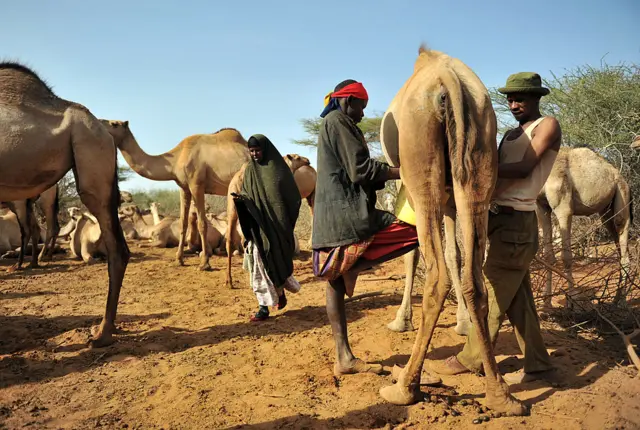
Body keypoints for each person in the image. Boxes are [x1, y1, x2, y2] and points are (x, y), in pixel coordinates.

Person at [430, 72, 561, 384]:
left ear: (537, 98)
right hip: (501, 220)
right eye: (510, 99)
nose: (514, 104)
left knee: (489, 292)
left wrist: (475, 165)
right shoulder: (510, 135)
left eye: (521, 98)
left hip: (518, 222)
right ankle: (539, 363)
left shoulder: (548, 126)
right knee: (519, 301)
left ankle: (471, 357)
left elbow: (525, 167)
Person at [312, 79, 420, 376]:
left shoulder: (333, 123)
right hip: (347, 216)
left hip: (331, 217)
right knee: (414, 230)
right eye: (361, 107)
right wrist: (408, 171)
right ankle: (354, 266)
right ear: (348, 101)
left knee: (334, 282)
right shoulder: (339, 122)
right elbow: (360, 171)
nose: (362, 114)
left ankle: (343, 357)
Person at [232, 134, 302, 322]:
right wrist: (242, 201)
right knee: (258, 264)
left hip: (277, 227)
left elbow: (291, 197)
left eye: (257, 150)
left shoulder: (278, 170)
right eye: (252, 151)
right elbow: (248, 193)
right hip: (257, 226)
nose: (255, 154)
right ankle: (263, 307)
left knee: (275, 261)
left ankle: (279, 294)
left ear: (265, 149)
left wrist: (283, 221)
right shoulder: (250, 172)